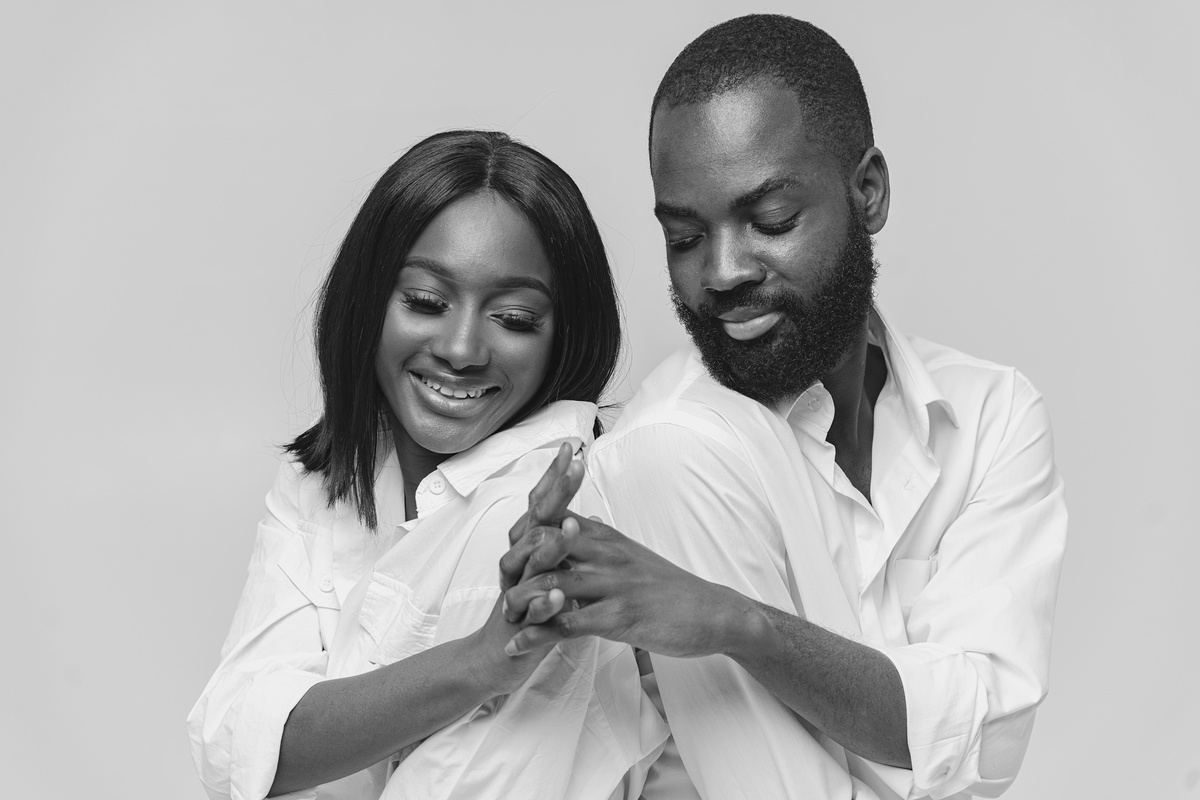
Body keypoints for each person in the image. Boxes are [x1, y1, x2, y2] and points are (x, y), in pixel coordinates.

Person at [502, 15, 1067, 800]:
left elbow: (984, 740)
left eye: (770, 221)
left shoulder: (989, 413)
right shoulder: (666, 451)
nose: (721, 272)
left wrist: (736, 623)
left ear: (866, 191)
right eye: (685, 237)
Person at [187, 130, 666, 800]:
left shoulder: (557, 517)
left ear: (563, 336)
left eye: (514, 317)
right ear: (369, 299)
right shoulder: (320, 483)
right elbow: (234, 746)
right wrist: (475, 664)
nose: (463, 349)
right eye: (425, 303)